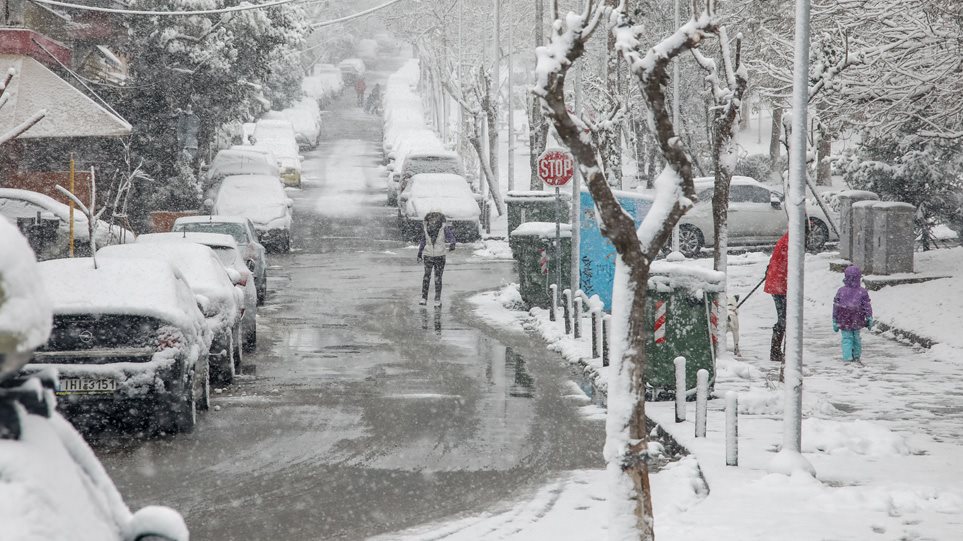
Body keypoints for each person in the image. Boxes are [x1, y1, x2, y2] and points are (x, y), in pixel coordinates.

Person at [833, 265, 874, 363]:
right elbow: (866, 305)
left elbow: (836, 305)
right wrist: (869, 316)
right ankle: (856, 355)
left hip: (843, 318)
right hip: (857, 317)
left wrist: (834, 319)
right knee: (856, 337)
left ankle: (847, 357)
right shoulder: (862, 291)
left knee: (846, 338)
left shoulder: (841, 291)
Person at [417, 211, 456, 307]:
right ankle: (424, 298)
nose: (433, 221)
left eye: (435, 219)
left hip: (440, 256)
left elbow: (452, 237)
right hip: (428, 255)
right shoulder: (426, 229)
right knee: (426, 277)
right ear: (428, 221)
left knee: (438, 278)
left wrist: (452, 244)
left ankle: (437, 299)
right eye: (430, 220)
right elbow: (423, 241)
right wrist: (419, 253)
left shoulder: (443, 229)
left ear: (439, 220)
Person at [764, 231, 789, 363]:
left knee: (784, 318)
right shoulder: (790, 243)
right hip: (780, 285)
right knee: (784, 319)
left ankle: (777, 350)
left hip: (778, 282)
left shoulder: (788, 239)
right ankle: (775, 351)